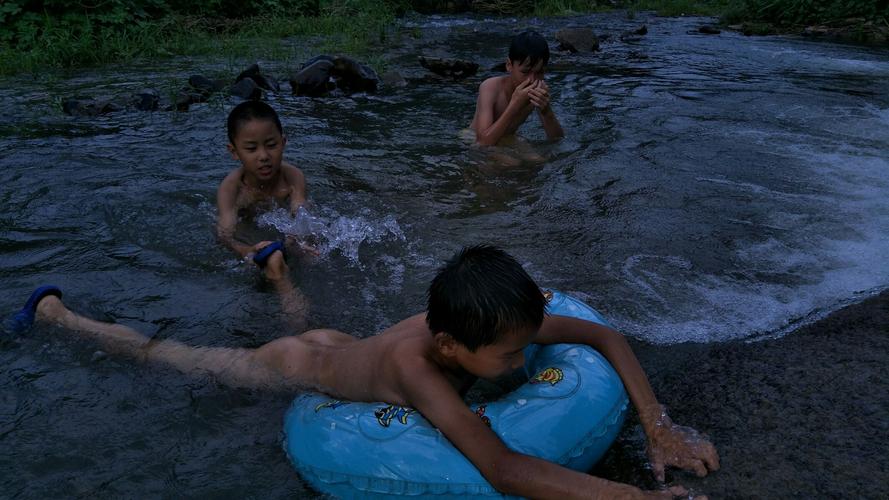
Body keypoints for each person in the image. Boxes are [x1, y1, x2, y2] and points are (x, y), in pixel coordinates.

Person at [10, 245, 718, 499]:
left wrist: (659, 427)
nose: (520, 360)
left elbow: (603, 335)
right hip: (297, 368)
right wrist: (630, 498)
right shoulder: (420, 370)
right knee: (171, 358)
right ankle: (61, 316)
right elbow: (501, 469)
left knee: (315, 328)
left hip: (348, 348)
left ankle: (279, 275)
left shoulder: (499, 320)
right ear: (451, 347)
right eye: (509, 357)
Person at [216, 100, 309, 328]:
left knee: (307, 252)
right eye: (251, 149)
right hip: (248, 236)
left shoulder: (293, 177)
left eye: (271, 145)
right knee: (264, 260)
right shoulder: (231, 188)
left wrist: (299, 237)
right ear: (234, 151)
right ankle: (281, 284)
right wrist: (245, 251)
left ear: (283, 143)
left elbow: (301, 211)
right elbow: (225, 232)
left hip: (282, 233)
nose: (264, 156)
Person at [469, 30, 564, 147]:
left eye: (539, 72)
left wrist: (547, 111)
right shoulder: (490, 88)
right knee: (510, 158)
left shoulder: (536, 92)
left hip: (504, 139)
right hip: (473, 140)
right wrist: (515, 105)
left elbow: (557, 140)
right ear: (509, 65)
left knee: (537, 157)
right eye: (525, 72)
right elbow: (482, 143)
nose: (532, 80)